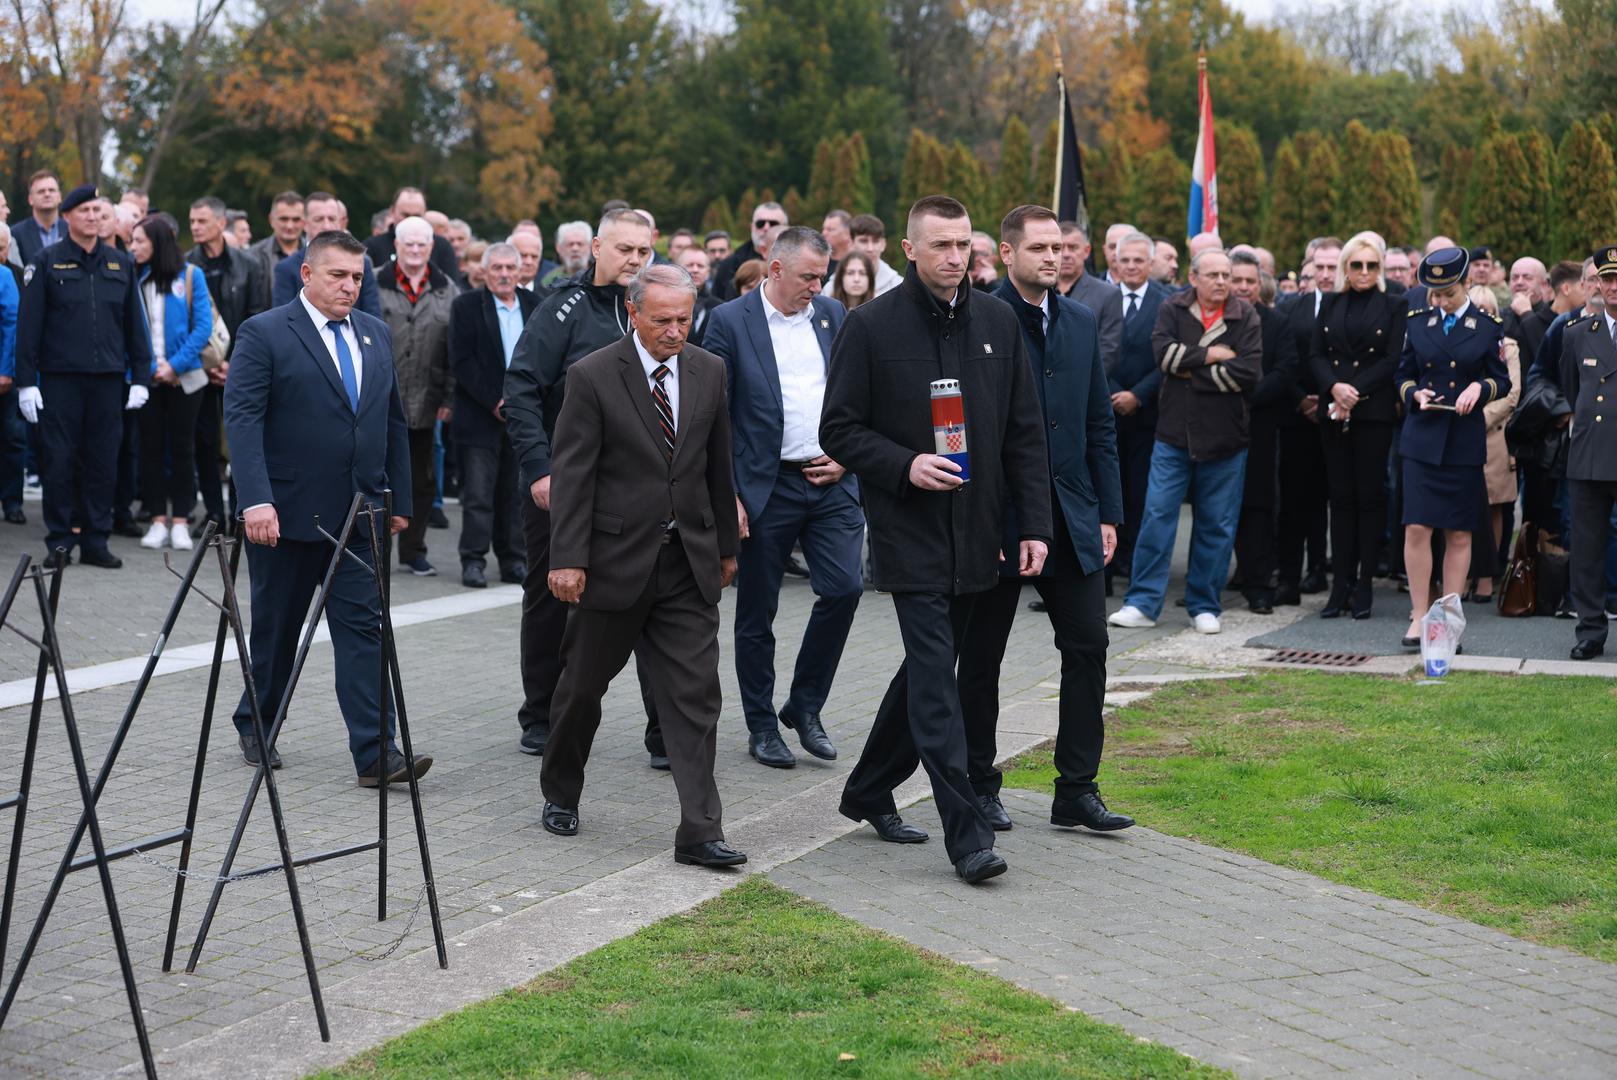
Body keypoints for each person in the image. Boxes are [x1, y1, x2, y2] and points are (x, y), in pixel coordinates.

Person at [820, 194, 1051, 884]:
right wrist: (905, 464)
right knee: (936, 688)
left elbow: (1023, 431)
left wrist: (1033, 524)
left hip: (980, 531)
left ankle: (867, 789)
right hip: (909, 531)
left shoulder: (998, 321)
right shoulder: (869, 326)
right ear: (909, 251)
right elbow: (839, 429)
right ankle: (967, 836)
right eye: (941, 245)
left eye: (963, 244)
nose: (955, 257)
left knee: (927, 671)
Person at [538, 263, 744, 867]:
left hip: (686, 563)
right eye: (662, 321)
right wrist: (567, 557)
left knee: (695, 697)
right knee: (581, 689)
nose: (675, 331)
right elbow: (573, 472)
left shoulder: (709, 370)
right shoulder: (593, 375)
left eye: (684, 319)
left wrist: (725, 546)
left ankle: (700, 831)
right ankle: (560, 791)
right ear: (633, 313)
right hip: (611, 563)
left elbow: (718, 465)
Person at [223, 230, 430, 784]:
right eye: (338, 275)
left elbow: (390, 421)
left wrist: (398, 499)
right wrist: (256, 500)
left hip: (360, 516)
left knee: (364, 633)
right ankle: (257, 721)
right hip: (286, 516)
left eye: (357, 277)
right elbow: (242, 419)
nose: (349, 286)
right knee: (277, 632)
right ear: (307, 274)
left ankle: (377, 754)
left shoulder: (373, 333)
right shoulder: (265, 332)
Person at [956, 204, 1129, 834]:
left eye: (1059, 247)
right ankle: (979, 784)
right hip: (999, 518)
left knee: (1088, 646)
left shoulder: (1080, 320)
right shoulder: (978, 319)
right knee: (981, 659)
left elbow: (1098, 422)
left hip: (1072, 512)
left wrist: (1108, 512)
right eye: (1039, 248)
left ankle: (1076, 789)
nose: (1054, 257)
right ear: (1007, 253)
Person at [703, 226, 859, 770]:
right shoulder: (730, 321)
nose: (818, 287)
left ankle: (805, 705)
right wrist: (729, 495)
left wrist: (848, 457)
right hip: (764, 486)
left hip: (830, 480)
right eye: (809, 277)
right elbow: (712, 415)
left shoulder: (832, 315)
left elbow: (856, 394)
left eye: (823, 277)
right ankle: (762, 725)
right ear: (775, 269)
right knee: (757, 611)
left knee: (845, 588)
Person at [503, 208, 654, 757]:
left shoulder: (653, 309)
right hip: (563, 483)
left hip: (636, 486)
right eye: (624, 249)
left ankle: (664, 728)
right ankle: (540, 714)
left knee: (650, 600)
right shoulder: (562, 308)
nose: (634, 259)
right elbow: (521, 389)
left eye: (643, 251)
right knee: (551, 598)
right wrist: (539, 469)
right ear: (597, 248)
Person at [1109, 248, 1262, 634]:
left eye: (1226, 275)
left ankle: (1204, 605)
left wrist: (1192, 370)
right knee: (1157, 517)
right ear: (1193, 278)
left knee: (1216, 524)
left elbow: (1247, 373)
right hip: (1173, 436)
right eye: (1214, 275)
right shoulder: (1172, 308)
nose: (1222, 282)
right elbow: (1164, 358)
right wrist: (1212, 355)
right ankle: (1142, 603)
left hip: (1226, 439)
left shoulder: (1245, 315)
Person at [15, 184, 152, 569]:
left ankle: (95, 541)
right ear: (68, 217)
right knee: (59, 461)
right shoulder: (47, 261)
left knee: (103, 462)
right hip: (60, 381)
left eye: (97, 210)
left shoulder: (119, 263)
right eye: (84, 211)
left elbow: (134, 325)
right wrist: (26, 383)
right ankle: (60, 540)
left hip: (107, 380)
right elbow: (29, 327)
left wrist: (141, 376)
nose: (92, 217)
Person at [1395, 246, 1510, 650]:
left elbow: (1502, 380)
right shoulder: (1417, 322)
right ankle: (1418, 615)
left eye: (1448, 293)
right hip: (1422, 437)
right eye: (1435, 294)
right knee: (1416, 527)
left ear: (1465, 283)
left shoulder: (1487, 327)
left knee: (1458, 533)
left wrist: (1479, 387)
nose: (1441, 301)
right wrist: (1414, 394)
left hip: (1462, 440)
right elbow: (1403, 374)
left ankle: (1446, 620)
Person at [1310, 231, 1405, 620]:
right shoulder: (1330, 302)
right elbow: (1316, 354)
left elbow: (1392, 358)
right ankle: (1340, 585)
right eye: (1357, 265)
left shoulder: (1394, 304)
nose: (1364, 271)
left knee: (1369, 498)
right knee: (1339, 498)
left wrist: (1354, 391)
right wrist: (1334, 388)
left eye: (1371, 265)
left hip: (1372, 412)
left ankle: (1364, 584)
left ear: (1379, 269)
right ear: (1345, 268)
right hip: (1333, 410)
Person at [449, 242, 535, 589]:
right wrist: (495, 401)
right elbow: (462, 361)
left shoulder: (535, 305)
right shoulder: (466, 306)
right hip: (480, 416)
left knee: (514, 495)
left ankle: (513, 559)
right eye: (496, 268)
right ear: (484, 271)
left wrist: (523, 403)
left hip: (524, 416)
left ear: (520, 271)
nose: (503, 274)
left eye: (509, 268)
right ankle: (473, 560)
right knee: (479, 495)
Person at [376, 216, 458, 577]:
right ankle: (374, 550)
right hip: (379, 400)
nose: (414, 249)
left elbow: (456, 350)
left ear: (430, 247)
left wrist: (449, 399)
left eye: (420, 244)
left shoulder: (447, 290)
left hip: (426, 399)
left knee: (421, 481)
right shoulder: (373, 283)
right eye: (407, 243)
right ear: (396, 245)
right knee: (374, 479)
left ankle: (413, 551)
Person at [130, 216, 212, 551]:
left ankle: (180, 520)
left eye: (139, 241)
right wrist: (152, 368)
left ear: (157, 242)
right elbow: (130, 328)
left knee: (182, 449)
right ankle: (156, 520)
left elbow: (203, 327)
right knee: (149, 448)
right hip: (147, 379)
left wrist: (174, 366)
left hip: (185, 379)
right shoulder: (135, 278)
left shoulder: (191, 276)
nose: (133, 247)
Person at [187, 196, 269, 529]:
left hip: (240, 366)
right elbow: (183, 322)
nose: (195, 227)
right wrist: (207, 363)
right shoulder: (186, 266)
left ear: (221, 223)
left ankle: (240, 511)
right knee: (204, 442)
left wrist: (235, 362)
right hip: (200, 369)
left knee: (241, 441)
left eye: (202, 221)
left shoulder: (249, 265)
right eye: (192, 221)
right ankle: (213, 514)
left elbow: (257, 317)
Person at [1230, 249, 1299, 613]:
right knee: (1215, 508)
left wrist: (1246, 396)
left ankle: (1258, 585)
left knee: (1257, 505)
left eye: (1250, 281)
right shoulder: (1214, 319)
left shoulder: (1277, 322)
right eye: (1236, 280)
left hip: (1260, 426)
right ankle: (1210, 584)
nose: (1243, 287)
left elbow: (1286, 369)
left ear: (1261, 284)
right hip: (1216, 426)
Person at [1275, 238, 1340, 604]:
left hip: (1342, 414)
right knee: (1296, 499)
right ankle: (1289, 576)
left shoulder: (1356, 308)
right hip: (1298, 416)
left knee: (1334, 499)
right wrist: (1301, 399)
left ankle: (1323, 569)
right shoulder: (1291, 308)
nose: (1326, 274)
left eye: (1333, 267)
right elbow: (1283, 359)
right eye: (1320, 267)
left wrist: (1330, 399)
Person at [1560, 245, 1617, 660]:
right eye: (1608, 279)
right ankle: (1591, 631)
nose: (1613, 287)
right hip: (1590, 455)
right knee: (1587, 549)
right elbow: (1571, 390)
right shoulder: (1578, 333)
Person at [1107, 231, 1171, 588]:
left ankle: (1133, 563)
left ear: (1150, 263)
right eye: (1125, 260)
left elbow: (1168, 360)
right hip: (1106, 412)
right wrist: (1114, 392)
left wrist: (1138, 395)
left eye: (1138, 260)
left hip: (1148, 414)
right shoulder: (1102, 299)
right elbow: (1092, 352)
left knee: (1141, 492)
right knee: (1107, 489)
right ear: (1115, 262)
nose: (1131, 266)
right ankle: (1104, 565)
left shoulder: (1166, 303)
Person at [1466, 286, 1521, 604]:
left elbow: (1511, 394)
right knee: (1464, 506)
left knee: (1494, 506)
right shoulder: (1459, 341)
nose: (1484, 314)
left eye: (1489, 309)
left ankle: (1488, 574)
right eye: (1478, 308)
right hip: (1461, 430)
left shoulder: (1507, 345)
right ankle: (1464, 573)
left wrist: (1478, 418)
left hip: (1494, 433)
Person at [272, 192, 381, 316]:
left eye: (332, 219)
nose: (327, 226)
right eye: (319, 219)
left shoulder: (363, 263)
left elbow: (373, 316)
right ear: (304, 224)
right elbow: (283, 319)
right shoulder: (286, 268)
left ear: (341, 223)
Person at [1058, 222, 1123, 377]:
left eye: (1073, 247)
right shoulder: (1039, 290)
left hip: (1083, 384)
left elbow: (1107, 352)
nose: (1066, 254)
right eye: (1059, 248)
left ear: (1086, 251)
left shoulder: (1108, 294)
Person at [363, 187, 459, 281]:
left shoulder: (442, 247)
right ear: (392, 211)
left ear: (425, 213)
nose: (411, 220)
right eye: (405, 215)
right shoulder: (373, 247)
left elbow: (452, 286)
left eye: (417, 216)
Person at [712, 202, 788, 300]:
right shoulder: (729, 265)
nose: (766, 228)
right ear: (752, 226)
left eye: (773, 224)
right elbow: (716, 303)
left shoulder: (798, 264)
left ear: (786, 227)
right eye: (760, 224)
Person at [247, 191, 306, 308]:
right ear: (271, 220)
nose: (289, 226)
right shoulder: (252, 256)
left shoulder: (315, 254)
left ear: (304, 222)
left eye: (296, 220)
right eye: (284, 219)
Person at [11, 171, 64, 267]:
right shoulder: (16, 234)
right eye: (41, 191)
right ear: (30, 199)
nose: (47, 194)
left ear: (59, 197)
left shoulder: (73, 231)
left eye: (51, 190)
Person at [848, 214, 903, 296]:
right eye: (863, 241)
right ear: (851, 244)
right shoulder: (834, 286)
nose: (870, 249)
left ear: (883, 244)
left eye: (875, 241)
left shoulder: (899, 286)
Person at [542, 221, 592, 287]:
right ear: (559, 248)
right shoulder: (550, 280)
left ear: (590, 246)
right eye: (570, 244)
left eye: (580, 244)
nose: (575, 248)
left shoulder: (599, 276)